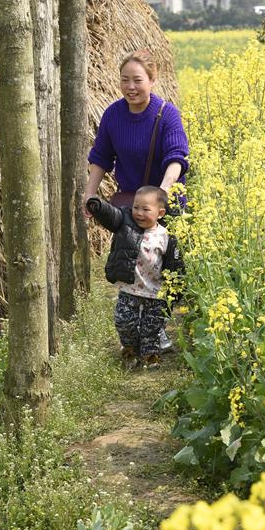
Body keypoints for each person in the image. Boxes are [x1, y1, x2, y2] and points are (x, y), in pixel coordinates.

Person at [83, 48, 190, 352]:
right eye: (125, 80)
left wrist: (163, 191)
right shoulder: (113, 115)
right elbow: (100, 157)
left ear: (153, 80)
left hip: (164, 205)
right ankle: (133, 330)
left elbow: (176, 157)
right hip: (132, 209)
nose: (131, 87)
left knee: (166, 270)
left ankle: (157, 328)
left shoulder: (166, 114)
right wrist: (89, 193)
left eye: (138, 80)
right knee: (134, 268)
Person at [86, 186, 184, 368]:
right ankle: (130, 349)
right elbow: (112, 215)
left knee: (152, 328)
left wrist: (175, 290)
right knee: (124, 322)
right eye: (136, 207)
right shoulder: (125, 223)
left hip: (155, 293)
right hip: (129, 288)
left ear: (160, 213)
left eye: (146, 209)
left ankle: (150, 356)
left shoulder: (167, 237)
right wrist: (97, 206)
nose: (139, 213)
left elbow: (174, 265)